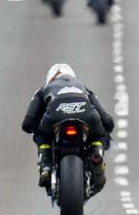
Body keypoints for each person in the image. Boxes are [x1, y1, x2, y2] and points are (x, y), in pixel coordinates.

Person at [20, 63, 114, 193]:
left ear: (50, 78)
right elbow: (107, 120)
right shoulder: (83, 87)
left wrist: (36, 128)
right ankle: (97, 154)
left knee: (42, 136)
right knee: (99, 135)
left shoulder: (44, 89)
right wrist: (106, 131)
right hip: (87, 113)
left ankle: (46, 166)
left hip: (55, 115)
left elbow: (27, 123)